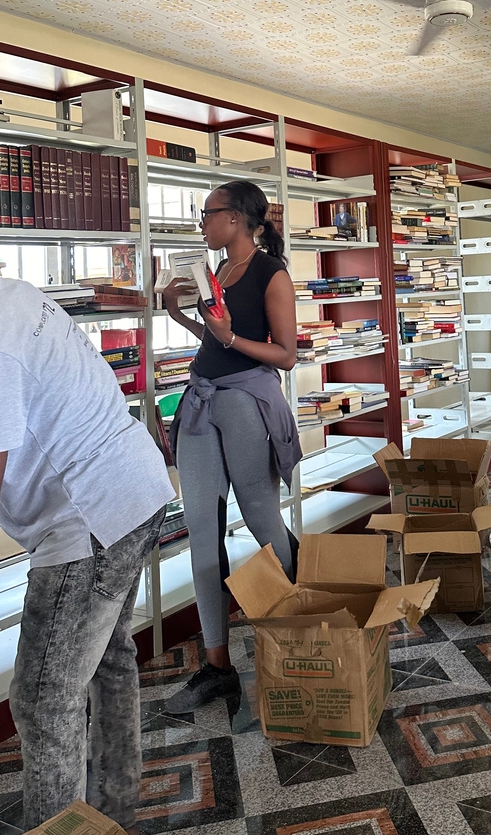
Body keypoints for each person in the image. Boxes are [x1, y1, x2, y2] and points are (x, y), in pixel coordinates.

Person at [0, 199, 174, 830]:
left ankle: (65, 826)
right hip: (134, 492)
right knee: (107, 659)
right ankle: (111, 810)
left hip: (89, 522)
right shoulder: (4, 297)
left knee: (42, 697)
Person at [161, 179, 300, 712]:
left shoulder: (272, 274)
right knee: (202, 529)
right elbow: (216, 343)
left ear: (237, 218)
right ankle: (217, 666)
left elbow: (285, 355)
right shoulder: (217, 270)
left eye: (207, 213)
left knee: (263, 519)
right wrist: (179, 316)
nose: (202, 223)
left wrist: (228, 336)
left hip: (246, 404)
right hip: (202, 401)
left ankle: (299, 634)